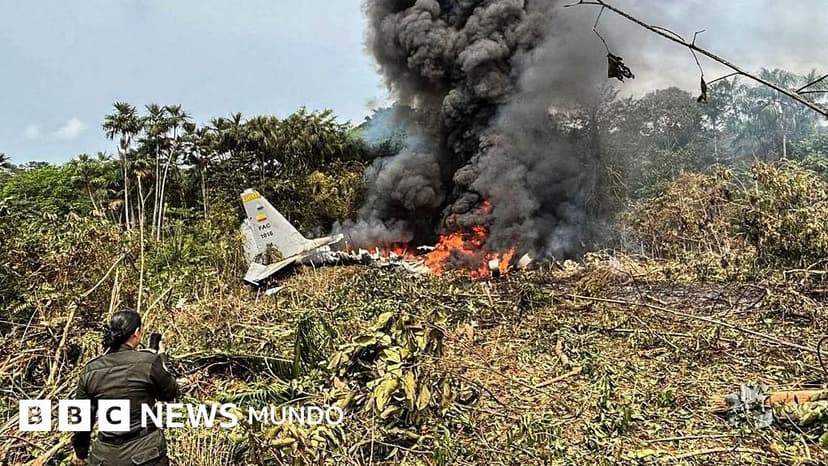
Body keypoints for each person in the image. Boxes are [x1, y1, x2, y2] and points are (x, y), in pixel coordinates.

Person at [71, 309, 179, 466]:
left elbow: (82, 419)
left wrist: (80, 452)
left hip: (104, 457)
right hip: (146, 453)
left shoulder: (90, 369)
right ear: (136, 333)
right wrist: (161, 358)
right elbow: (171, 393)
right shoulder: (148, 362)